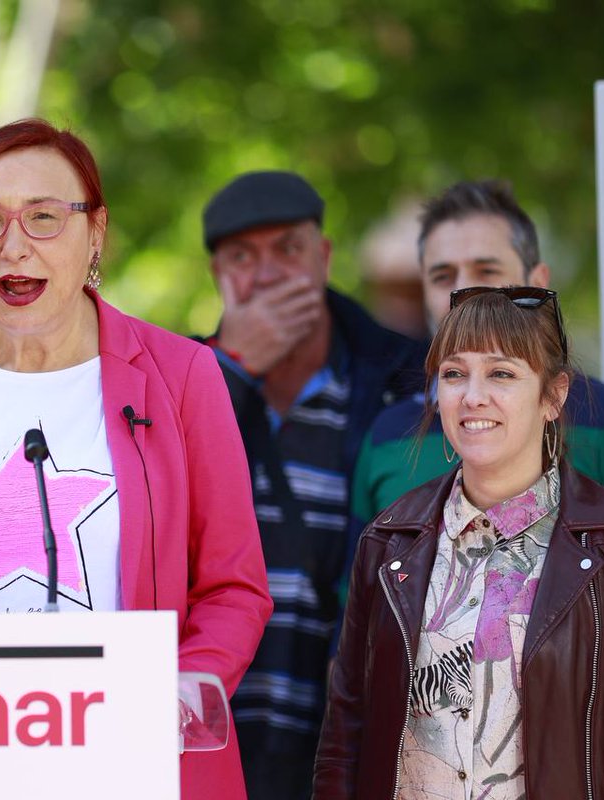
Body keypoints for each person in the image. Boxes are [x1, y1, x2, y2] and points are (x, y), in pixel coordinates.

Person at [0, 119, 272, 799]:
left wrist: (181, 692)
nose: (14, 245)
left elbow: (232, 588)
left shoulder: (182, 374)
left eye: (43, 217)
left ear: (95, 233)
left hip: (136, 761)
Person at [315, 287, 604, 798]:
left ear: (554, 396)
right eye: (453, 373)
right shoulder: (386, 544)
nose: (472, 396)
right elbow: (344, 740)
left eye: (502, 374)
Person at [348, 180, 604, 607]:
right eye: (442, 276)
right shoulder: (387, 435)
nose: (464, 294)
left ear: (537, 280)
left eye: (487, 271)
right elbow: (356, 615)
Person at [198, 171, 427, 799]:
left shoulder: (405, 380)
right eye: (243, 257)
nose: (267, 275)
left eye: (288, 250)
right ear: (217, 274)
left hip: (344, 746)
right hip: (204, 738)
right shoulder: (177, 384)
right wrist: (230, 372)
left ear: (323, 259)